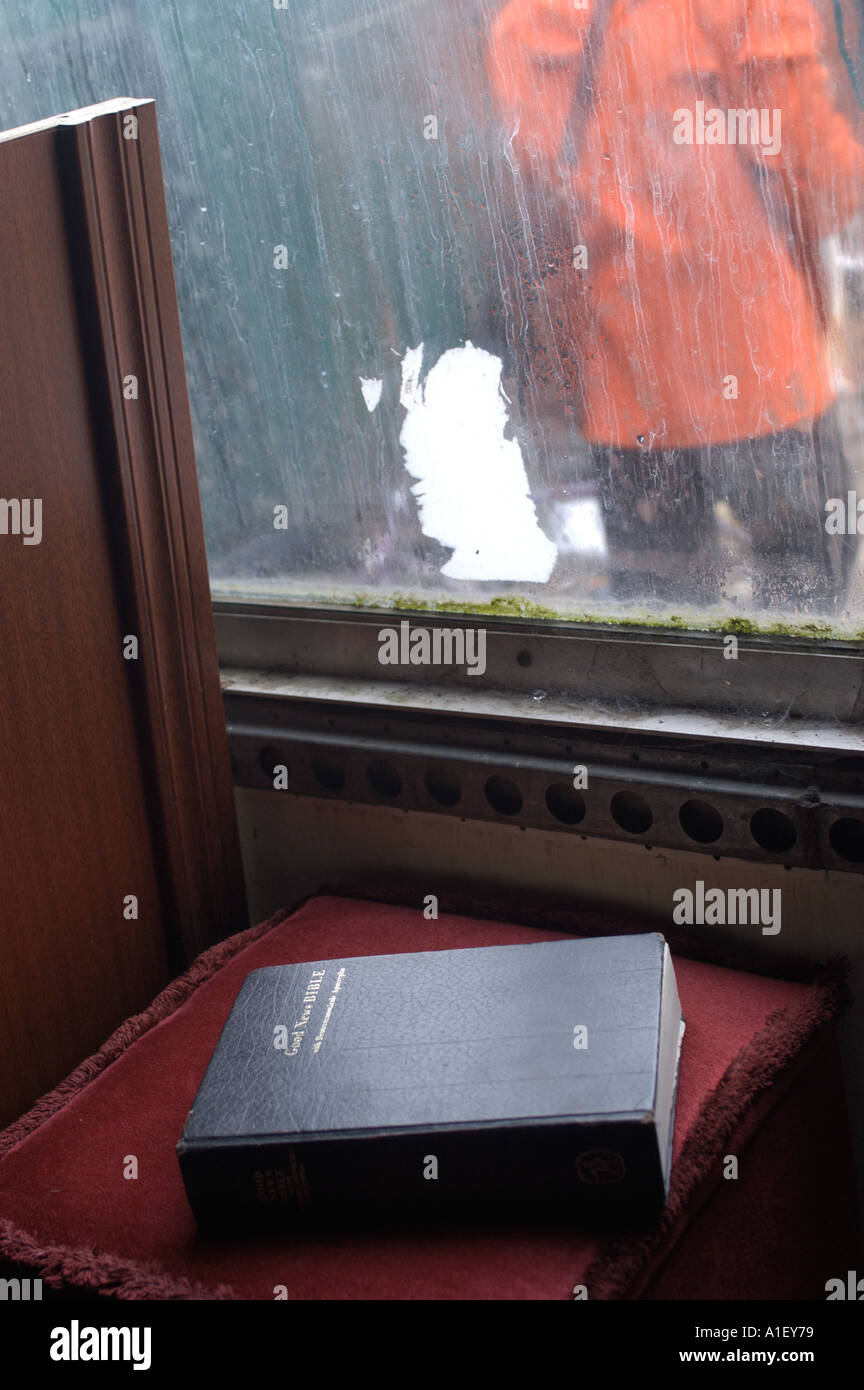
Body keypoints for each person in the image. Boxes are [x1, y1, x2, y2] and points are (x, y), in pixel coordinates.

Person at [486, 0, 864, 611]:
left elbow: (536, 195)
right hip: (764, 375)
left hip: (625, 395)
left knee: (664, 636)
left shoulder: (527, 19)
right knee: (803, 634)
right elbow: (814, 163)